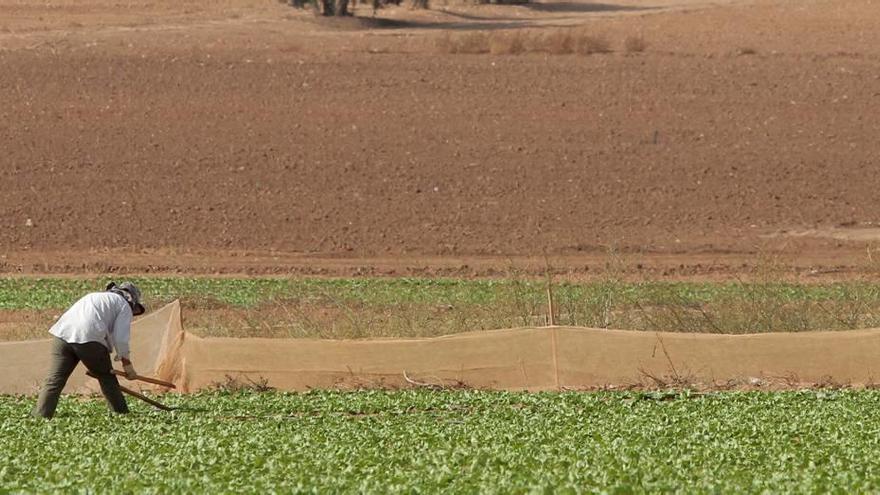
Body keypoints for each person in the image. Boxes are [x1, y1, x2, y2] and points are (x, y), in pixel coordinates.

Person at [32, 282, 146, 419]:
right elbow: (121, 339)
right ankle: (121, 415)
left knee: (54, 379)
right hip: (88, 339)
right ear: (132, 300)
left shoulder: (95, 297)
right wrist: (127, 365)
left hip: (62, 335)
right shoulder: (124, 305)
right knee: (107, 377)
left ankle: (40, 416)